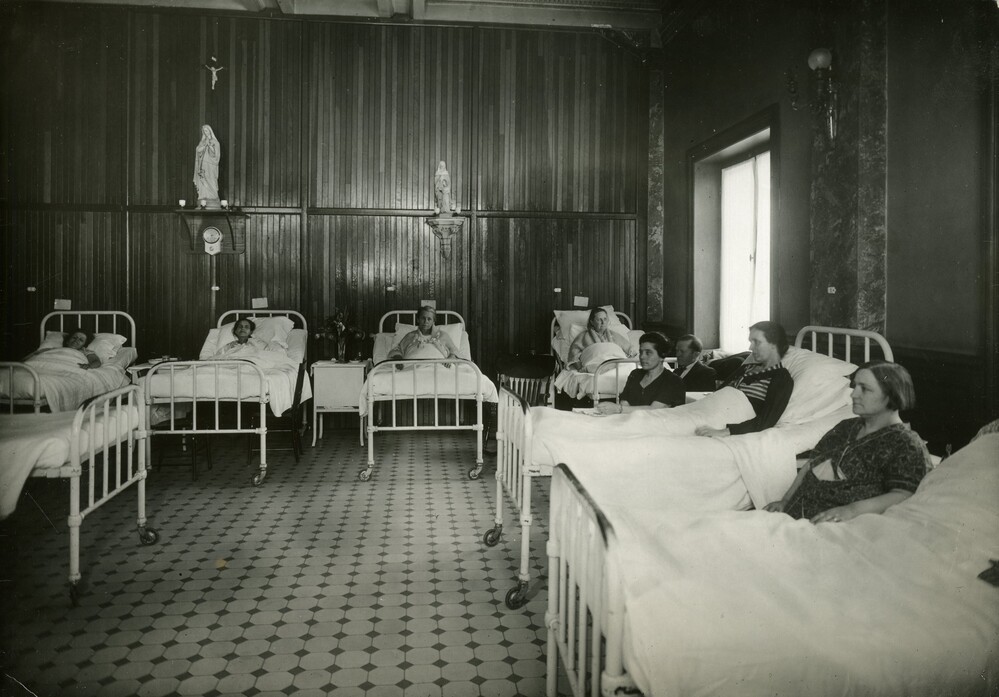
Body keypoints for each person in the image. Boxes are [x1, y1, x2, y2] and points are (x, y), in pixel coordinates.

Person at [764, 360, 930, 523]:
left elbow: (905, 493)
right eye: (855, 386)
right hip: (795, 516)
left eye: (864, 389)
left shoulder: (905, 443)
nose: (853, 394)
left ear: (891, 396)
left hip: (841, 528)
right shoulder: (845, 427)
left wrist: (851, 510)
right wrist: (784, 502)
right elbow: (810, 466)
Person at [696, 320, 793, 437]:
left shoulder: (781, 378)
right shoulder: (745, 368)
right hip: (707, 414)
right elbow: (718, 394)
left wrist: (725, 431)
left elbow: (766, 421)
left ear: (773, 344)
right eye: (751, 342)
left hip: (724, 425)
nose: (750, 347)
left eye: (756, 342)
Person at [595, 333, 684, 414]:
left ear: (662, 356)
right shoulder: (635, 374)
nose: (642, 356)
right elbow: (624, 403)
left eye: (648, 353)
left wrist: (619, 409)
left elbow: (655, 410)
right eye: (641, 352)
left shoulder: (673, 381)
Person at [565, 307, 637, 371]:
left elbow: (631, 350)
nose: (603, 322)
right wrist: (580, 367)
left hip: (616, 364)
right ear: (592, 322)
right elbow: (573, 354)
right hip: (595, 366)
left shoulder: (614, 335)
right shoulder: (583, 336)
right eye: (599, 320)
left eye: (605, 319)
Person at [387, 306, 459, 363]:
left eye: (429, 319)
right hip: (412, 368)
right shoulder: (410, 336)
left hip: (438, 367)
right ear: (418, 319)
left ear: (433, 321)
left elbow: (454, 351)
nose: (425, 322)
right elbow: (397, 349)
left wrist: (449, 360)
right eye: (423, 318)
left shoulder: (442, 335)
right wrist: (399, 359)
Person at [25, 328, 101, 370]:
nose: (76, 340)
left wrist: (88, 366)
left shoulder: (85, 351)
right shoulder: (55, 349)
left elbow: (96, 361)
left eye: (81, 340)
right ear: (67, 341)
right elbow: (35, 354)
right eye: (74, 337)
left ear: (84, 345)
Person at [194, 124, 221, 202]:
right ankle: (203, 195)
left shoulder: (215, 142)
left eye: (206, 130)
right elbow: (198, 150)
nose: (205, 132)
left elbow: (216, 154)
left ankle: (213, 196)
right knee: (203, 178)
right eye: (204, 131)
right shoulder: (202, 141)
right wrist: (204, 145)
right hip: (203, 164)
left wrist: (210, 146)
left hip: (211, 164)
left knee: (211, 178)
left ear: (210, 131)